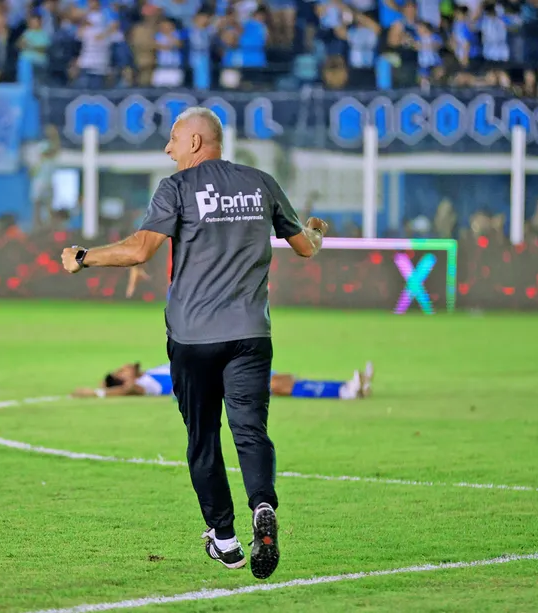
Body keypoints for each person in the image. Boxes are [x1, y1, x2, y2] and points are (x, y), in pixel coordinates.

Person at [61, 107, 328, 580]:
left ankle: (223, 538)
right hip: (250, 334)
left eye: (174, 139)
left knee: (202, 437)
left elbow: (138, 250)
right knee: (250, 431)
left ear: (197, 143)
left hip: (193, 339)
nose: (168, 148)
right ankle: (263, 507)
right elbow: (304, 246)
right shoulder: (261, 182)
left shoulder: (177, 188)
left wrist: (83, 257)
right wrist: (316, 234)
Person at [72, 361, 374, 399]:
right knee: (278, 385)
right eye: (122, 369)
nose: (127, 365)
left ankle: (347, 387)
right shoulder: (145, 384)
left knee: (284, 379)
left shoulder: (150, 372)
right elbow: (126, 392)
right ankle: (346, 391)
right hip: (221, 383)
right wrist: (97, 393)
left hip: (222, 370)